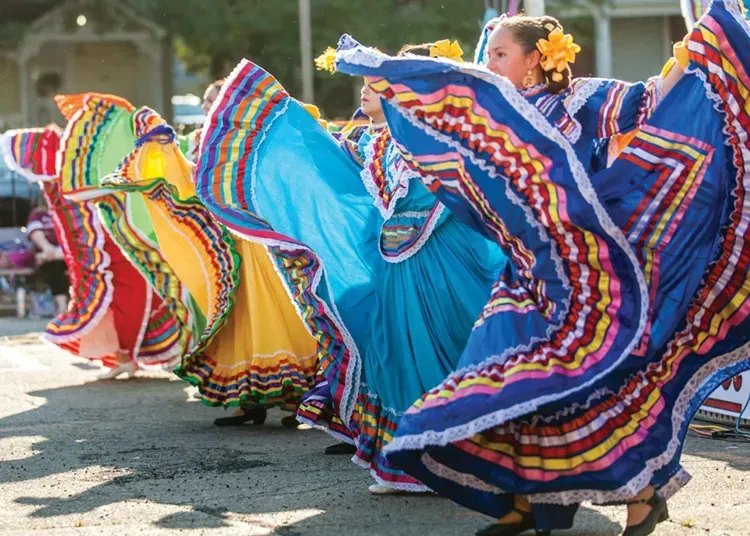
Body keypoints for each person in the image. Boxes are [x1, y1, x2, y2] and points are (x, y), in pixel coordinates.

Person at [331, 0, 750, 534]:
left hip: (587, 273)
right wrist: (388, 75)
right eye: (490, 52)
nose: (491, 60)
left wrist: (694, 58)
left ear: (534, 60)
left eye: (501, 52)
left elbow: (649, 103)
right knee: (503, 377)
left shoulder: (579, 99)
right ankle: (523, 500)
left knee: (595, 383)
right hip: (526, 272)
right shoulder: (490, 112)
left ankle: (642, 493)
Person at [198, 40, 506, 494]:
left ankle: (456, 459)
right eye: (365, 83)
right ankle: (413, 461)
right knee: (395, 356)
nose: (365, 92)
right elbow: (334, 177)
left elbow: (451, 192)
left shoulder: (439, 137)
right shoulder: (373, 142)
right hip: (398, 266)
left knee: (440, 353)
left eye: (377, 85)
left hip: (441, 260)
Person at [64, 92, 318, 428]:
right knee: (238, 321)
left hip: (264, 241)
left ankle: (294, 402)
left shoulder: (261, 135)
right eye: (209, 101)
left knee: (278, 314)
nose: (211, 106)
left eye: (218, 99)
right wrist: (159, 142)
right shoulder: (201, 139)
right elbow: (185, 175)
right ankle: (248, 401)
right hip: (228, 247)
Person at [2, 124, 186, 381]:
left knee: (137, 296)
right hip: (113, 243)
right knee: (126, 298)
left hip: (121, 240)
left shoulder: (87, 164)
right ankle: (128, 356)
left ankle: (137, 354)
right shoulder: (77, 167)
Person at [26, 196, 69, 316]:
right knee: (54, 266)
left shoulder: (69, 212)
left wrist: (50, 254)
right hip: (51, 256)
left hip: (63, 254)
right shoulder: (38, 214)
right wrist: (47, 248)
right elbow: (35, 233)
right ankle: (63, 307)